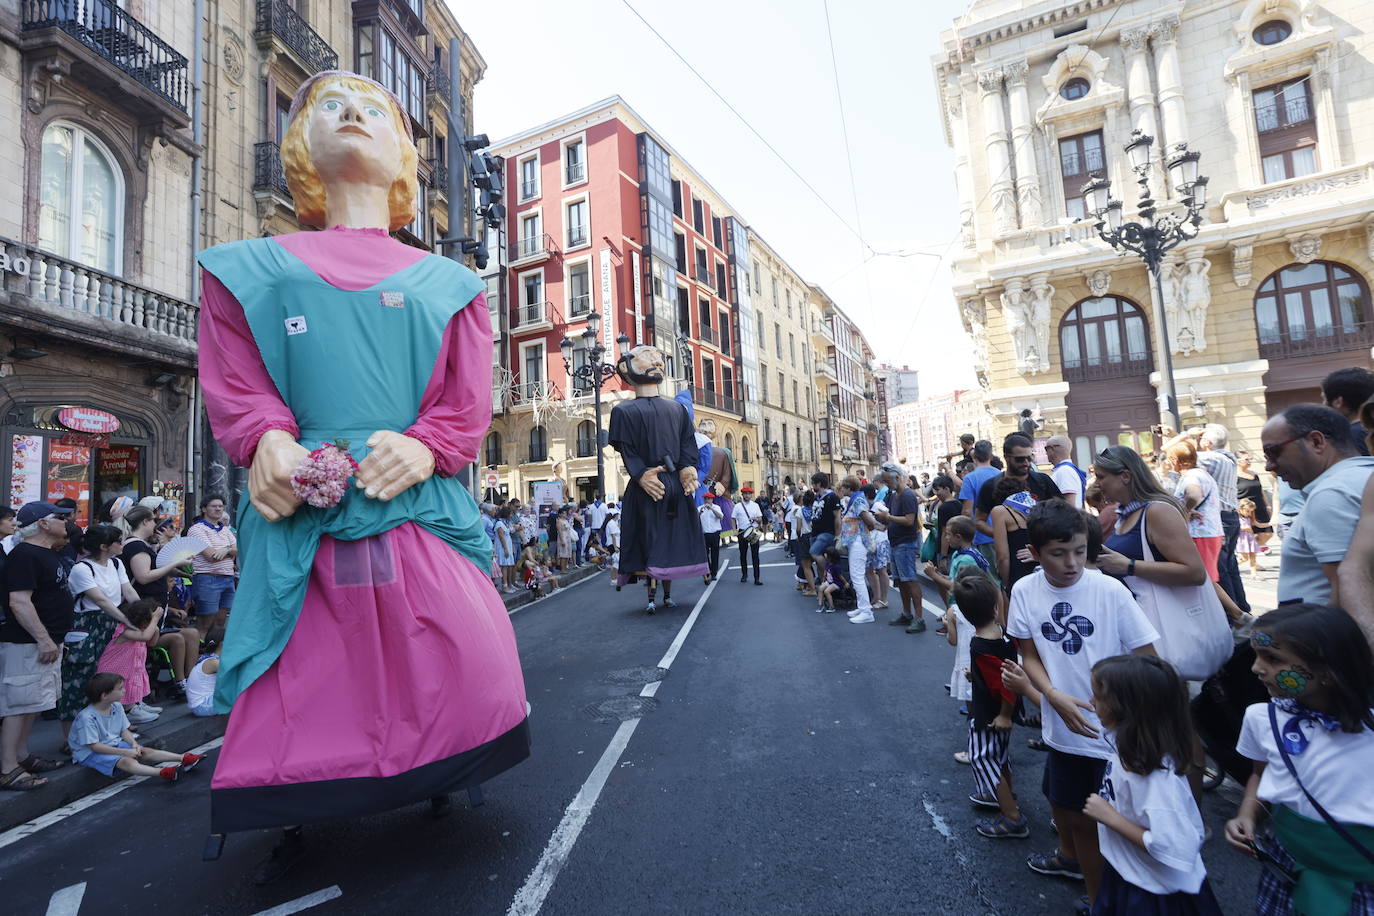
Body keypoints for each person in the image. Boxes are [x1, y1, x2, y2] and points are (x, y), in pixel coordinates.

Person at [195, 70, 529, 876]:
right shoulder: (247, 268)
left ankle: (446, 758)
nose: (350, 114)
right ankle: (295, 791)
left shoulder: (453, 285)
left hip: (415, 500)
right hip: (300, 500)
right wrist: (265, 439)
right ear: (300, 149)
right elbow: (236, 380)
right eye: (328, 109)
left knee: (442, 643)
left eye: (375, 110)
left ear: (406, 157)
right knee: (301, 658)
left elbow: (466, 400)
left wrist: (430, 444)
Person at [1001, 500, 1159, 911]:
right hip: (1063, 732)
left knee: (1122, 831)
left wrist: (1124, 713)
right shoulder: (1024, 590)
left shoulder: (1110, 591)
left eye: (1079, 551)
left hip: (1115, 738)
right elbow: (1029, 654)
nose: (1072, 563)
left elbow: (1148, 660)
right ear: (1035, 554)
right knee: (1077, 822)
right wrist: (1052, 696)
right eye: (1058, 553)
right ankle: (1097, 900)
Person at [1225, 604, 1374, 915]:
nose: (1256, 668)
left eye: (1273, 659)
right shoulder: (1261, 717)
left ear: (1329, 672)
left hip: (1361, 876)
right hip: (1289, 865)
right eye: (1256, 655)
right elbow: (1260, 774)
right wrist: (1248, 814)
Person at [1084, 655, 1221, 914]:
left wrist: (1111, 818)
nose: (1092, 702)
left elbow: (1179, 849)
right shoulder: (1127, 745)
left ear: (1127, 709)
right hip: (1132, 871)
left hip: (1154, 893)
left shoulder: (1157, 780)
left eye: (1099, 697)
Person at [608, 345, 708, 614]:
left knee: (670, 542)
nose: (657, 361)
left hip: (674, 485)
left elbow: (688, 444)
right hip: (647, 489)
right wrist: (641, 475)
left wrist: (689, 469)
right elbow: (627, 450)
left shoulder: (678, 410)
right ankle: (653, 595)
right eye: (646, 357)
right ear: (625, 369)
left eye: (658, 357)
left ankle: (663, 594)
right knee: (650, 541)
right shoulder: (622, 412)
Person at [1263, 404, 1374, 607]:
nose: (1269, 465)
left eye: (1273, 452)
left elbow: (1349, 594)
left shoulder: (1332, 494)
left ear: (1316, 441)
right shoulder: (1364, 477)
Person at [0, 501, 77, 791]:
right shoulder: (25, 555)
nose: (65, 522)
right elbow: (19, 601)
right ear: (43, 523)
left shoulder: (45, 553)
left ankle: (21, 756)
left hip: (46, 641)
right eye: (59, 517)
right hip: (28, 643)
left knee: (33, 702)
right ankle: (7, 767)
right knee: (17, 705)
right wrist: (43, 638)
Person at [957, 573, 1026, 840]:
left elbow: (1005, 682)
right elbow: (999, 674)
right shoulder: (1004, 637)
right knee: (1000, 757)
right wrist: (975, 675)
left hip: (990, 715)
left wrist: (1005, 715)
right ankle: (1008, 797)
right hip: (1000, 712)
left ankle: (1012, 818)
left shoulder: (981, 645)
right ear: (996, 607)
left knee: (983, 759)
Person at [62, 526, 140, 737]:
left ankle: (108, 729)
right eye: (118, 541)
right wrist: (127, 620)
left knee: (110, 678)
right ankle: (71, 738)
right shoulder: (82, 569)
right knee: (79, 680)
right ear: (105, 546)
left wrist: (144, 614)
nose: (122, 545)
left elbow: (129, 591)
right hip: (87, 625)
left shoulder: (116, 563)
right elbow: (100, 600)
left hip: (111, 623)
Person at [70, 672, 202, 782]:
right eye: (120, 688)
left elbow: (123, 730)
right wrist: (125, 752)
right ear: (104, 696)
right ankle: (162, 772)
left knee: (143, 751)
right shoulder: (87, 718)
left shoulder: (116, 706)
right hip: (89, 753)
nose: (124, 690)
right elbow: (94, 746)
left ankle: (183, 758)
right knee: (126, 761)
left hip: (111, 743)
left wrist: (133, 744)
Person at [974, 434, 1063, 575]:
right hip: (1013, 560)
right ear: (1006, 457)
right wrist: (1003, 535)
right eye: (1020, 459)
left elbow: (1064, 514)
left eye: (1030, 457)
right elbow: (979, 521)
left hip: (1047, 556)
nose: (1026, 463)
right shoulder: (991, 486)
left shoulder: (1043, 481)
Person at [94, 598, 164, 723]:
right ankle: (130, 710)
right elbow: (146, 637)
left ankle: (136, 703)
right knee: (123, 688)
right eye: (148, 620)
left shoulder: (142, 630)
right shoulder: (126, 631)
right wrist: (155, 619)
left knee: (134, 685)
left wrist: (156, 628)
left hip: (131, 667)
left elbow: (151, 642)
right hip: (115, 669)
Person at [1164, 440, 1222, 583]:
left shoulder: (1191, 476)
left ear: (1175, 460)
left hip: (1199, 533)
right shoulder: (1202, 474)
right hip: (1208, 532)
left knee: (1203, 579)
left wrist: (1185, 510)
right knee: (1207, 578)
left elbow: (1194, 494)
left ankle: (1221, 606)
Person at [876, 462, 925, 632]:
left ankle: (919, 617)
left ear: (897, 478)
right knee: (901, 581)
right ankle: (906, 613)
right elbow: (892, 518)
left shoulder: (908, 495)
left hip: (906, 543)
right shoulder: (894, 495)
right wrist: (882, 521)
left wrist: (887, 517)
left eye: (888, 482)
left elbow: (909, 520)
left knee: (910, 580)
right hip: (896, 542)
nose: (887, 485)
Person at [187, 494, 237, 633]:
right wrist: (230, 552)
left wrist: (225, 550)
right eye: (214, 506)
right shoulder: (197, 529)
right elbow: (211, 556)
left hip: (227, 578)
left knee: (221, 621)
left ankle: (214, 653)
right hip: (207, 578)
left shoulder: (225, 530)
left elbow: (240, 550)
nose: (218, 509)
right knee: (205, 622)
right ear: (204, 509)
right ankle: (198, 653)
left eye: (221, 506)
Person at [838, 476, 879, 624]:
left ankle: (866, 611)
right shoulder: (857, 499)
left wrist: (871, 526)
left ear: (849, 488)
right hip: (856, 541)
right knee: (857, 576)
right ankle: (863, 608)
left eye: (843, 486)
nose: (841, 489)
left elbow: (867, 519)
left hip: (858, 541)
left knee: (857, 577)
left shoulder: (857, 500)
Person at [959, 440, 1001, 573]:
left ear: (974, 455)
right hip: (1003, 533)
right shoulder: (1001, 475)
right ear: (991, 456)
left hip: (982, 536)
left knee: (990, 581)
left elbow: (967, 512)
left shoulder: (970, 478)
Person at [991, 476, 1038, 594]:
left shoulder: (1000, 511)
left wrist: (1006, 584)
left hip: (1018, 571)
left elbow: (1002, 556)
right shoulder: (1038, 507)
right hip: (1042, 569)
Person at [1321, 366, 1374, 456]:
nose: (1323, 404)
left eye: (1324, 399)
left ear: (1338, 402)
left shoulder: (1347, 438)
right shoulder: (1370, 431)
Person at [1235, 451, 1273, 549]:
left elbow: (1261, 490)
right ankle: (1249, 554)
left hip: (1259, 506)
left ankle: (1253, 548)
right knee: (1248, 531)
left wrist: (1268, 505)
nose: (1249, 461)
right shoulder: (1234, 476)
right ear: (1238, 461)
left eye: (1250, 459)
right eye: (1246, 459)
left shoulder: (1254, 474)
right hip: (1245, 509)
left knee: (1267, 532)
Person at [863, 484, 891, 610]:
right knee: (869, 569)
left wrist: (882, 527)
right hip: (870, 542)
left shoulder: (878, 506)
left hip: (880, 541)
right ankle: (876, 596)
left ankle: (884, 599)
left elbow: (889, 519)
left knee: (881, 570)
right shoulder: (865, 507)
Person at [186, 626, 224, 717]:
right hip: (202, 706)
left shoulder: (208, 658)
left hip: (201, 704)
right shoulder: (213, 662)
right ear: (223, 644)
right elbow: (234, 674)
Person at [733, 487, 765, 585]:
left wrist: (756, 519)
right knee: (743, 555)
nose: (747, 495)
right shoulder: (737, 506)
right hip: (742, 532)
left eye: (749, 493)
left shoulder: (755, 505)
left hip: (753, 531)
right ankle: (744, 574)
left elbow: (760, 518)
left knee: (755, 555)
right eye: (745, 493)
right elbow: (733, 518)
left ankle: (757, 578)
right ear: (742, 495)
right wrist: (734, 530)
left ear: (751, 495)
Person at [1046, 435, 1086, 508]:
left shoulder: (1064, 471)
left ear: (1052, 449)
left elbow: (1069, 505)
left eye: (1046, 449)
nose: (1046, 453)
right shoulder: (1065, 470)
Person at [698, 494, 724, 581]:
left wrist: (712, 509)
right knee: (705, 554)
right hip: (704, 533)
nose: (707, 501)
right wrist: (700, 512)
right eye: (705, 499)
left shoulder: (717, 507)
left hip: (715, 533)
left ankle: (714, 573)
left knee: (715, 553)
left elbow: (720, 517)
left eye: (709, 499)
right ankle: (708, 569)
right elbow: (695, 519)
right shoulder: (700, 508)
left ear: (712, 500)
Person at [817, 547, 849, 613]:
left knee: (826, 591)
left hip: (836, 582)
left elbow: (840, 576)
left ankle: (831, 606)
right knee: (820, 588)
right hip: (829, 581)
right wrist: (823, 581)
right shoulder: (827, 563)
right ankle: (821, 605)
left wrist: (845, 583)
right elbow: (825, 573)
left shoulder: (836, 566)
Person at [494, 506, 518, 592]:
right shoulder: (499, 524)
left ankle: (508, 585)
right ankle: (504, 586)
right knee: (504, 565)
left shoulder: (506, 523)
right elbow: (501, 537)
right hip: (502, 547)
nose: (511, 515)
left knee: (507, 565)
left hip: (507, 545)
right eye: (510, 513)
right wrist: (506, 549)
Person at [1237, 498, 1260, 575]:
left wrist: (1269, 524)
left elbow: (1258, 524)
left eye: (1251, 511)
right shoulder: (1238, 518)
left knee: (1253, 557)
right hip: (1243, 540)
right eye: (1247, 511)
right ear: (1241, 509)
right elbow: (1236, 527)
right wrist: (1244, 528)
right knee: (1245, 558)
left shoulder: (1248, 518)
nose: (1249, 513)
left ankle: (1254, 574)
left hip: (1250, 539)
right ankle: (1232, 565)